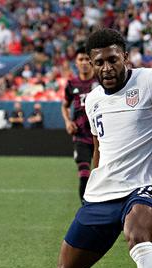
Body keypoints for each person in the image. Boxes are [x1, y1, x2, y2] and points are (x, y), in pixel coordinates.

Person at [45, 28, 152, 268]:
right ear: (91, 65)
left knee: (137, 236)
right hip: (101, 195)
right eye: (99, 63)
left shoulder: (150, 81)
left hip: (144, 188)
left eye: (112, 60)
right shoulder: (92, 100)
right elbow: (98, 148)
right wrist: (93, 184)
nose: (106, 68)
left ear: (126, 58)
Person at [62, 46, 96, 203]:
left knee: (100, 174)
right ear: (76, 63)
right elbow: (64, 105)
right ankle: (85, 208)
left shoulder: (100, 81)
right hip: (81, 136)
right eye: (80, 60)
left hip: (100, 137)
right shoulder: (71, 84)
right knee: (84, 174)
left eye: (87, 60)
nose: (84, 63)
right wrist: (68, 121)